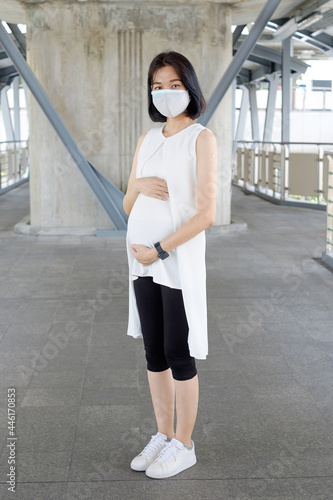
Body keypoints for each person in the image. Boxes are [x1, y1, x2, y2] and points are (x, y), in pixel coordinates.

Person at [123, 50, 217, 479]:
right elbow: (129, 206)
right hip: (140, 262)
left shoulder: (201, 138)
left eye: (174, 85)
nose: (165, 93)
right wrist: (137, 183)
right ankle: (162, 435)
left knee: (179, 352)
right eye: (158, 86)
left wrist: (159, 249)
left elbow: (206, 213)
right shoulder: (147, 138)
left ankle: (184, 443)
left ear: (190, 89)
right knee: (154, 351)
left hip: (171, 259)